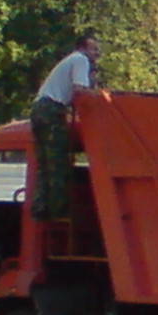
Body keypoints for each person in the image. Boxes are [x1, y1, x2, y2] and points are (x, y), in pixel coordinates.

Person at [30, 35, 100, 220]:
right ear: (83, 48)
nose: (96, 54)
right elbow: (80, 90)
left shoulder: (69, 61)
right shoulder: (80, 59)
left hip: (40, 109)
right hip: (52, 110)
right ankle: (59, 211)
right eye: (94, 49)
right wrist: (100, 99)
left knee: (44, 163)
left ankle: (41, 208)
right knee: (58, 161)